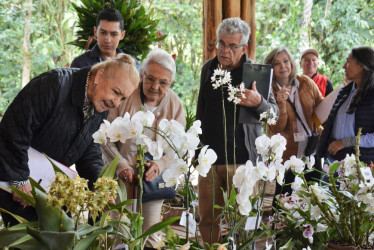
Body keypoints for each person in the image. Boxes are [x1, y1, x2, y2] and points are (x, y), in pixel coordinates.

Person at [0, 54, 139, 227]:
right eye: (116, 92)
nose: (116, 103)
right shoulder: (54, 84)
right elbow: (14, 130)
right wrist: (19, 180)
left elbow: (88, 150)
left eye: (123, 98)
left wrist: (99, 187)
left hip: (47, 193)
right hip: (15, 187)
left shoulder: (100, 106)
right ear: (100, 75)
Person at [196, 17, 279, 244]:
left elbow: (273, 115)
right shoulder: (208, 69)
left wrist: (258, 102)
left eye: (232, 46)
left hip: (242, 162)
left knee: (244, 220)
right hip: (210, 162)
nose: (224, 50)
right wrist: (196, 153)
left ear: (244, 48)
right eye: (221, 43)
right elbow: (200, 113)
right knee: (207, 219)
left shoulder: (256, 73)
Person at [101, 49, 185, 248]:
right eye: (150, 79)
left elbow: (179, 145)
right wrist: (120, 164)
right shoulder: (126, 95)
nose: (155, 87)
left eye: (163, 82)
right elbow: (105, 137)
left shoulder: (174, 104)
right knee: (119, 232)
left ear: (170, 83)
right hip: (121, 177)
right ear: (142, 75)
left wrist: (160, 163)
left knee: (151, 235)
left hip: (152, 179)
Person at [264, 47, 324, 197]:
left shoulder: (305, 82)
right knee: (284, 198)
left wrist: (323, 127)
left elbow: (321, 106)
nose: (283, 66)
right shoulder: (268, 91)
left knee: (314, 196)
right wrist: (280, 103)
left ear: (291, 63)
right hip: (287, 154)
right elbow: (276, 128)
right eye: (277, 63)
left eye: (285, 61)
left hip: (311, 149)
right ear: (271, 68)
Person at [316, 46, 374, 164]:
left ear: (361, 67)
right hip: (333, 159)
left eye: (348, 62)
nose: (343, 66)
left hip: (360, 164)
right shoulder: (345, 91)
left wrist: (345, 142)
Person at [71, 8, 140, 71]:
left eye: (113, 34)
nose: (108, 40)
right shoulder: (80, 64)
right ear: (95, 32)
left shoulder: (132, 64)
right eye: (103, 33)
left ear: (122, 35)